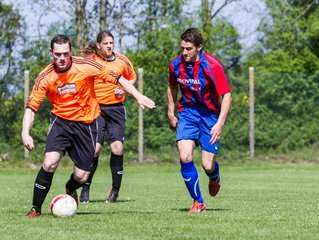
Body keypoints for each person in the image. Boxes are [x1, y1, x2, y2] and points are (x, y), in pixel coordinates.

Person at [22, 34, 155, 218]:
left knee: (82, 176)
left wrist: (138, 96)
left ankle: (70, 187)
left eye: (65, 54)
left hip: (87, 124)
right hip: (60, 122)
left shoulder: (85, 66)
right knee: (50, 162)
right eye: (57, 54)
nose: (62, 58)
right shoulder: (45, 76)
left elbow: (118, 78)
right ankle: (35, 209)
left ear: (70, 52)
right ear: (51, 53)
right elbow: (31, 107)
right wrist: (25, 132)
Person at [167, 28, 232, 213]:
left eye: (188, 49)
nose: (184, 53)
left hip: (210, 115)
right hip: (187, 113)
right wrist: (171, 113)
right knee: (185, 156)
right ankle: (198, 202)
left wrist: (219, 124)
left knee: (207, 165)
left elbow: (226, 95)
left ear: (199, 47)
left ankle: (214, 178)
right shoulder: (175, 65)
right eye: (182, 48)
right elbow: (172, 86)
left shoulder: (212, 65)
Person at [78, 31, 136, 203]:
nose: (109, 46)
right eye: (106, 43)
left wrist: (124, 88)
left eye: (112, 42)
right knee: (94, 150)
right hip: (96, 109)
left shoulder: (122, 60)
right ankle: (85, 188)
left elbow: (132, 78)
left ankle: (115, 191)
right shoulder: (91, 62)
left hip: (116, 110)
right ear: (98, 45)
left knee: (117, 149)